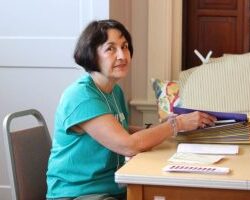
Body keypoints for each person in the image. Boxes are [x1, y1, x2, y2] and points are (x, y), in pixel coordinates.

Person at [46, 19, 216, 200]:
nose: (122, 55)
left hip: (113, 190)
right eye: (110, 48)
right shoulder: (82, 96)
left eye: (125, 46)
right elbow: (128, 145)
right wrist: (177, 124)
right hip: (80, 194)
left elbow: (121, 129)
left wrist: (161, 128)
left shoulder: (114, 90)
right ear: (91, 54)